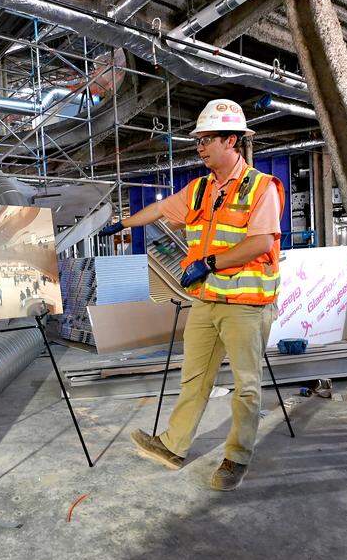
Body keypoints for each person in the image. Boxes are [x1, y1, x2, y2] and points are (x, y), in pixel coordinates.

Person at [98, 98, 285, 491]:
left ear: (231, 140)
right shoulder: (199, 189)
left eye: (208, 139)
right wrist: (120, 224)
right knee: (194, 378)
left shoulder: (261, 188)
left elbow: (261, 242)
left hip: (245, 307)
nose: (200, 146)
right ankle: (173, 445)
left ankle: (236, 457)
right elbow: (162, 210)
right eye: (198, 140)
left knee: (246, 386)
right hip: (205, 300)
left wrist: (210, 263)